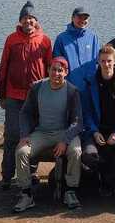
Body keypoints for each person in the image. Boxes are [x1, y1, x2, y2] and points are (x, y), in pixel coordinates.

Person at [12, 57, 85, 212]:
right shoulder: (37, 87)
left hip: (65, 133)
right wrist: (24, 135)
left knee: (76, 151)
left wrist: (65, 140)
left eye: (60, 70)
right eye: (53, 69)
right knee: (21, 152)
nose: (56, 73)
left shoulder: (72, 91)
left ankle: (70, 191)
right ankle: (26, 194)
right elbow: (25, 113)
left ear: (66, 72)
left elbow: (77, 122)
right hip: (42, 133)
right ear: (48, 70)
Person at [0, 1, 53, 188]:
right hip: (13, 95)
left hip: (36, 97)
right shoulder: (11, 39)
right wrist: (2, 94)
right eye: (25, 18)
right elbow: (3, 67)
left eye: (31, 18)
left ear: (36, 21)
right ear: (20, 20)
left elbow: (50, 69)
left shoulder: (45, 40)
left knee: (33, 135)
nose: (28, 21)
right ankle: (7, 176)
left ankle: (31, 172)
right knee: (12, 135)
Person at [81, 45, 115, 197]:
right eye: (103, 61)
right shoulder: (90, 82)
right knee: (87, 155)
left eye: (109, 61)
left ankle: (110, 179)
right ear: (98, 61)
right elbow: (86, 112)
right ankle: (102, 175)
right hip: (96, 130)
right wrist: (93, 131)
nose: (106, 64)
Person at [54, 7, 100, 90]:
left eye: (85, 18)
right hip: (69, 87)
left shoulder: (93, 37)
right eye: (79, 17)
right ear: (72, 18)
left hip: (90, 87)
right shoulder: (61, 38)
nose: (82, 20)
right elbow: (57, 65)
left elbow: (98, 61)